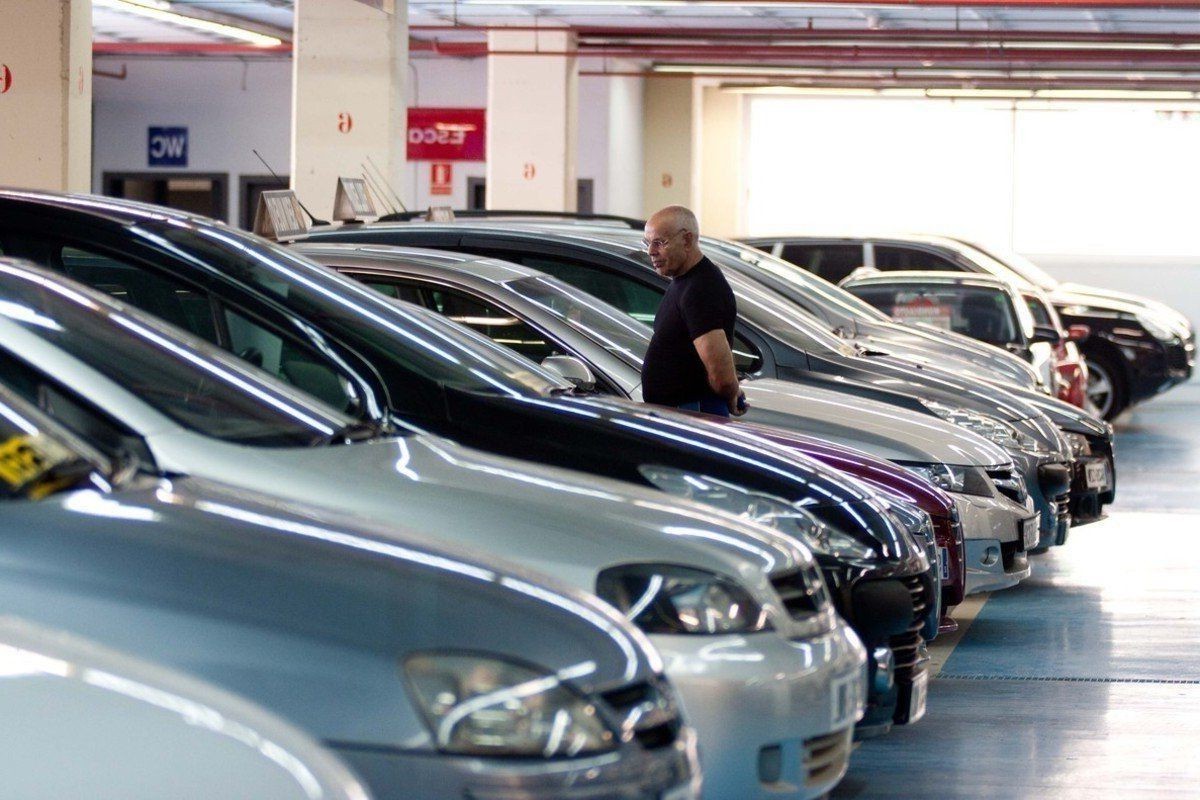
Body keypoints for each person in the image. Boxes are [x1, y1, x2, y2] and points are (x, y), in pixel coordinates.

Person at [640, 205, 747, 418]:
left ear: (687, 240)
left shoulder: (701, 288)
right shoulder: (685, 280)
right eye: (647, 243)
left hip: (693, 413)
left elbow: (721, 375)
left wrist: (732, 391)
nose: (651, 251)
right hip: (681, 410)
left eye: (659, 243)